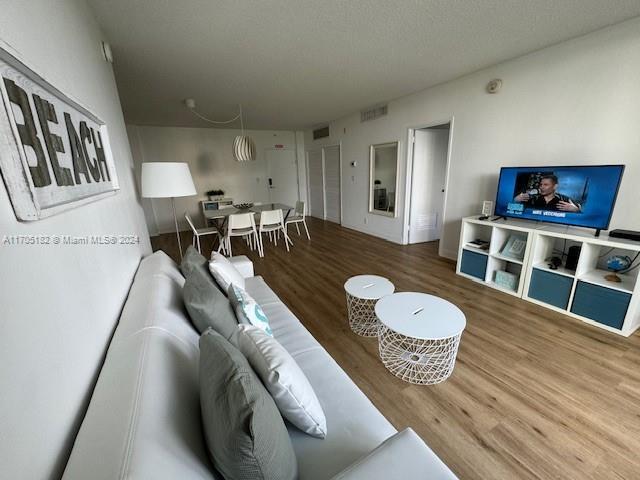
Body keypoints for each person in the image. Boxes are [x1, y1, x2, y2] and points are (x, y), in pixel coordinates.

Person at [514, 174, 581, 212]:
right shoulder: (532, 198)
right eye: (541, 184)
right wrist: (515, 200)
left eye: (545, 185)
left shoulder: (565, 200)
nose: (541, 187)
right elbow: (515, 210)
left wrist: (576, 210)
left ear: (555, 186)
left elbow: (581, 214)